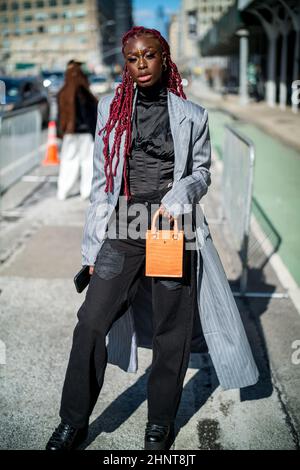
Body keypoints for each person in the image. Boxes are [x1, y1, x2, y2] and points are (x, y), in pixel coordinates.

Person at [46, 26, 259, 451]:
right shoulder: (111, 108)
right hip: (123, 225)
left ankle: (159, 424)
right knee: (91, 320)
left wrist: (181, 194)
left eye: (148, 56)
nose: (140, 64)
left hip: (172, 229)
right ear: (125, 63)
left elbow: (202, 172)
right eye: (132, 58)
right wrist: (91, 248)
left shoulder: (192, 114)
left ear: (164, 57)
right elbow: (101, 182)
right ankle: (73, 421)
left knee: (171, 331)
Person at [56, 60, 98, 200]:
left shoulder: (63, 92)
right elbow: (91, 114)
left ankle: (63, 191)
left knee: (68, 161)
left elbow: (60, 116)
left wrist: (60, 132)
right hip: (86, 133)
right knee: (87, 162)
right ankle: (85, 191)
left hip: (70, 133)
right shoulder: (84, 92)